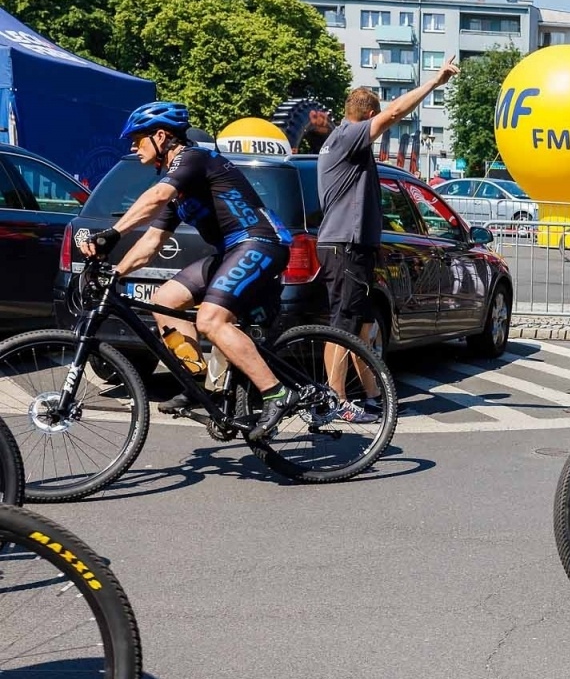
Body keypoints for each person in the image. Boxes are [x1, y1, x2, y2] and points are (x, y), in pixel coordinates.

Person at [77, 102, 300, 441]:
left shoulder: (193, 158)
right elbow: (152, 242)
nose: (134, 148)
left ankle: (277, 394)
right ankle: (197, 383)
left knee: (210, 320)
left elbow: (155, 197)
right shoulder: (178, 193)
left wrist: (113, 233)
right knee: (165, 299)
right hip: (231, 251)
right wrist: (116, 273)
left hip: (260, 242)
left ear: (161, 136)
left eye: (137, 140)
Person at [318, 58, 458, 420]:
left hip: (352, 246)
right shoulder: (349, 136)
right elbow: (395, 112)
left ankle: (372, 396)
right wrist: (434, 82)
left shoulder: (339, 142)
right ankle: (335, 402)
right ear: (369, 116)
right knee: (343, 325)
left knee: (362, 326)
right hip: (346, 246)